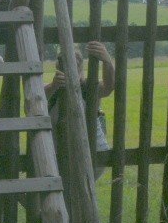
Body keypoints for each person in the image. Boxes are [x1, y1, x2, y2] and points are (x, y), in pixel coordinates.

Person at [44, 42, 115, 179]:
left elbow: (108, 87)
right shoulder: (51, 89)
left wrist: (107, 61)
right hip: (58, 155)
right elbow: (35, 99)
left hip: (94, 152)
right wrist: (53, 86)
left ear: (80, 70)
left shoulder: (88, 87)